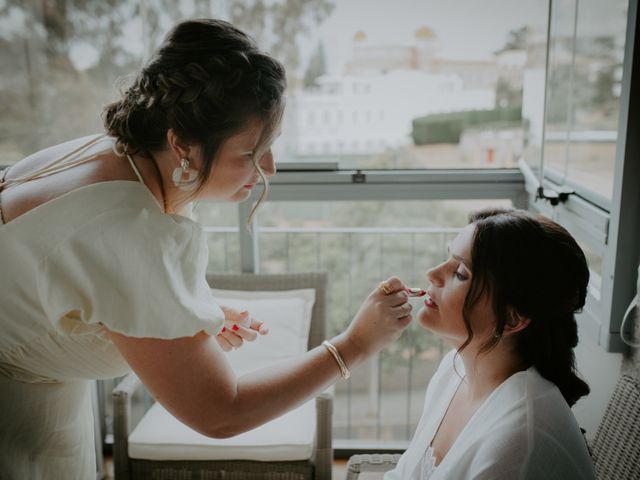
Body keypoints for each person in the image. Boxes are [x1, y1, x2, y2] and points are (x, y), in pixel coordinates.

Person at [0, 19, 414, 479]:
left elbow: (55, 283)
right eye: (251, 153)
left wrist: (178, 318)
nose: (268, 168)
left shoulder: (108, 153)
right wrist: (354, 344)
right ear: (184, 146)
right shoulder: (136, 231)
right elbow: (222, 412)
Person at [384, 208, 596, 480]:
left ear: (511, 318)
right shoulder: (454, 368)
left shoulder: (518, 440)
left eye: (460, 273)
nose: (432, 273)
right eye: (446, 258)